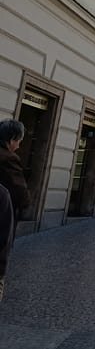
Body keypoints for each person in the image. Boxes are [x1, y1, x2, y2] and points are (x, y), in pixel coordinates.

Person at [0, 119, 29, 302]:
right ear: (11, 140)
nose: (18, 146)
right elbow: (21, 191)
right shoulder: (8, 158)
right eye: (18, 141)